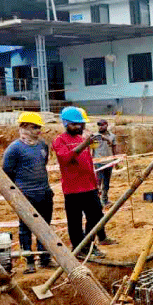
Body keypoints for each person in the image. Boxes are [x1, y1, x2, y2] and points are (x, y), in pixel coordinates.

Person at [53, 106, 114, 258]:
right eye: (75, 124)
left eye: (81, 124)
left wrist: (95, 186)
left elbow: (88, 164)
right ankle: (78, 248)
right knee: (75, 221)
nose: (79, 127)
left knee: (96, 217)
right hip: (72, 189)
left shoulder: (81, 139)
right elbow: (66, 159)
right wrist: (84, 145)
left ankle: (88, 245)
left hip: (89, 187)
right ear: (66, 124)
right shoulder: (59, 141)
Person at [2, 111, 53, 273]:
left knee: (44, 227)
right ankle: (29, 261)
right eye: (34, 127)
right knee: (26, 229)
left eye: (39, 127)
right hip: (26, 195)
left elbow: (43, 164)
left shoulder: (42, 145)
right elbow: (7, 173)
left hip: (44, 193)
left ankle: (45, 258)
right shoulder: (14, 149)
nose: (38, 130)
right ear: (23, 127)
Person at [92, 119, 117, 206]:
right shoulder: (95, 136)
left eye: (102, 125)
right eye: (99, 125)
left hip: (109, 162)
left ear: (106, 125)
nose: (100, 127)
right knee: (98, 182)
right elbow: (93, 149)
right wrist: (92, 161)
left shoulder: (112, 136)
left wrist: (116, 161)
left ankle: (105, 200)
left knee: (106, 183)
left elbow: (114, 149)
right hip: (98, 162)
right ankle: (97, 202)